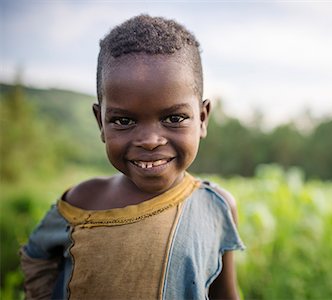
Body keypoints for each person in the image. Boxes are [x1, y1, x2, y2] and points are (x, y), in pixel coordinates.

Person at [20, 14, 244, 300]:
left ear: (202, 118)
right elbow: (36, 257)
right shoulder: (82, 201)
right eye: (124, 121)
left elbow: (225, 294)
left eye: (174, 118)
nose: (150, 141)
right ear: (101, 122)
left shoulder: (217, 207)